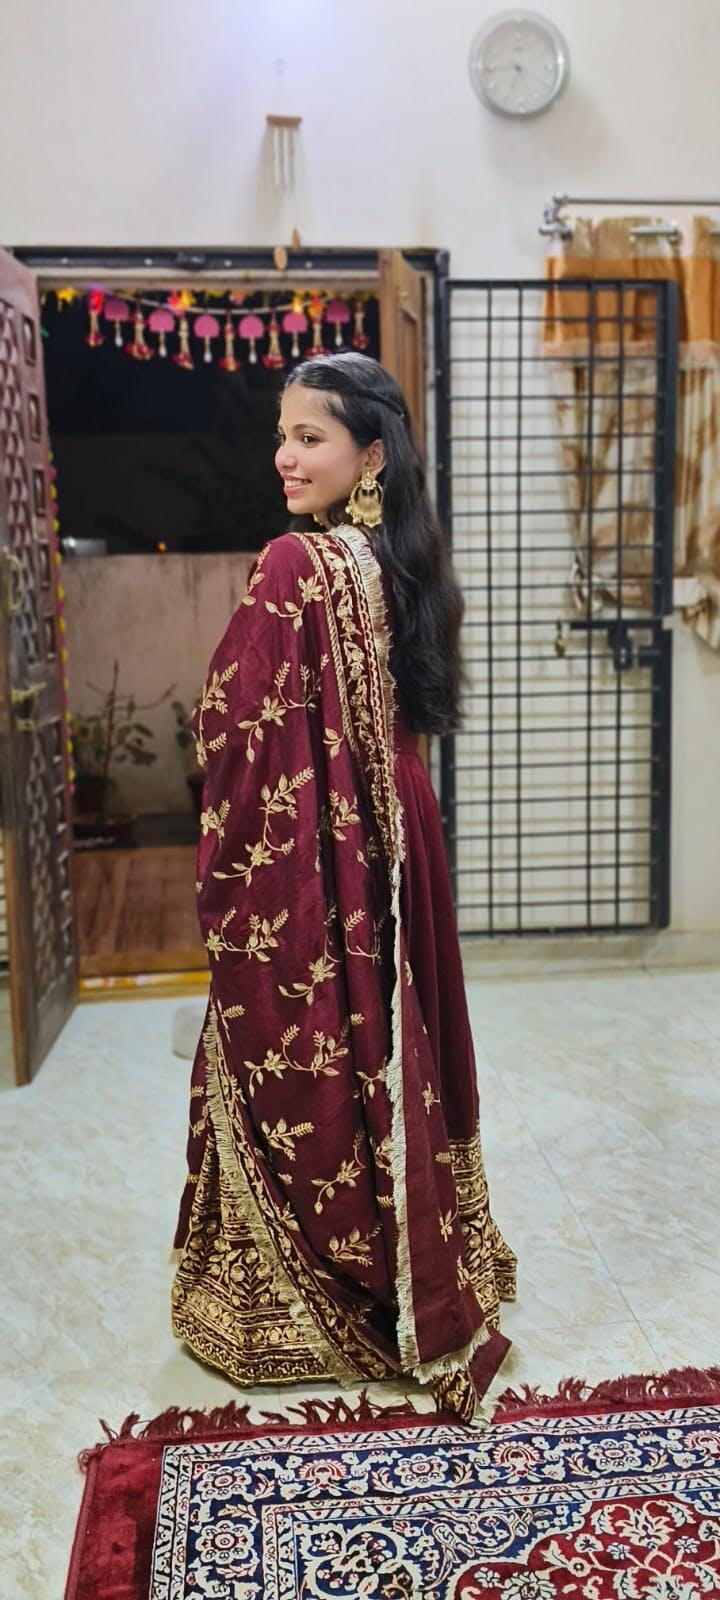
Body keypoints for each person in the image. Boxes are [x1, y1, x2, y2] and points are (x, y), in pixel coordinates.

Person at [172, 351, 515, 1422]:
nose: (284, 456)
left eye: (309, 437)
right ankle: (421, 1258)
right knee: (391, 1032)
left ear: (370, 457)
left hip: (327, 836)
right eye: (282, 434)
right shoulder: (399, 560)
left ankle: (315, 1290)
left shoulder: (296, 563)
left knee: (314, 1027)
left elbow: (235, 720)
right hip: (395, 823)